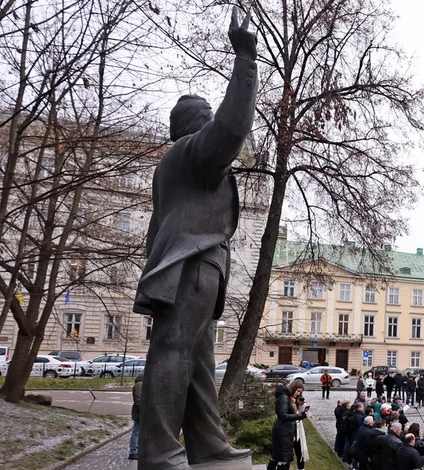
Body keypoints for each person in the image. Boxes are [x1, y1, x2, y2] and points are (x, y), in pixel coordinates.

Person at [134, 7, 257, 469]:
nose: (213, 121)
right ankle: (161, 450)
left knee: (200, 364)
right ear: (193, 124)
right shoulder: (191, 154)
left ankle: (207, 444)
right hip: (191, 266)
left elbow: (156, 228)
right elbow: (232, 126)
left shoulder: (176, 168)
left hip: (194, 267)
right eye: (206, 115)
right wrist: (244, 59)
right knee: (174, 352)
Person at [269, 381, 309, 470]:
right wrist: (301, 415)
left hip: (287, 431)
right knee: (282, 460)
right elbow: (283, 415)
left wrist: (298, 404)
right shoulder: (284, 398)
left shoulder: (287, 397)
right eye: (298, 391)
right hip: (284, 432)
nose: (299, 394)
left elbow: (291, 413)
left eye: (300, 392)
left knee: (278, 458)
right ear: (293, 388)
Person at [128, 374, 143, 460]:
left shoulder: (140, 384)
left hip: (140, 412)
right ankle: (133, 452)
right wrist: (143, 412)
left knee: (139, 431)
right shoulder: (139, 385)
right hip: (139, 413)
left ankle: (136, 451)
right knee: (137, 431)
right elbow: (139, 400)